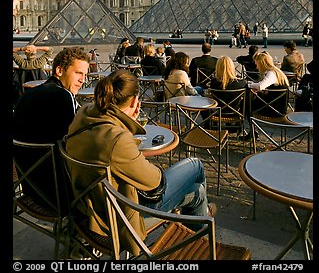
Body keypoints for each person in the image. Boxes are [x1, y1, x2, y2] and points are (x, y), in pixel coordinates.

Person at [65, 70, 216, 256]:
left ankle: (200, 221)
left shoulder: (84, 114)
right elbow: (156, 185)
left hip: (86, 208)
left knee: (197, 192)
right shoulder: (117, 139)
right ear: (136, 102)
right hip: (118, 220)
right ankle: (198, 243)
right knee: (195, 165)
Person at [13, 47, 90, 207]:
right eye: (78, 73)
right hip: (58, 193)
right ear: (59, 70)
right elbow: (78, 143)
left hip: (29, 188)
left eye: (85, 74)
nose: (83, 80)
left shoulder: (29, 95)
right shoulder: (64, 96)